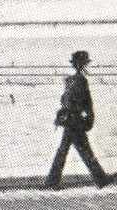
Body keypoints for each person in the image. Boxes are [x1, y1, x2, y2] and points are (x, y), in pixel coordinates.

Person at [44, 50, 109, 189]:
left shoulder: (69, 81)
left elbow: (64, 100)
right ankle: (101, 179)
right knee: (81, 152)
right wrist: (90, 118)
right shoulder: (81, 81)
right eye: (85, 63)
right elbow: (87, 102)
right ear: (83, 65)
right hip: (76, 122)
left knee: (70, 151)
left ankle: (52, 181)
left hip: (69, 121)